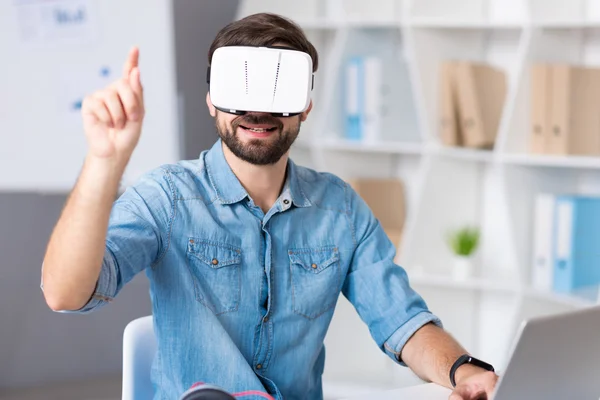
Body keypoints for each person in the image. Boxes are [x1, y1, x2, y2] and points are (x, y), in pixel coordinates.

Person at [41, 12, 498, 400]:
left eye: (277, 89)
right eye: (241, 88)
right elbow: (66, 294)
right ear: (212, 103)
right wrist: (104, 163)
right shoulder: (168, 197)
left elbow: (402, 322)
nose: (257, 111)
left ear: (305, 106)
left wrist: (464, 372)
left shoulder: (340, 210)